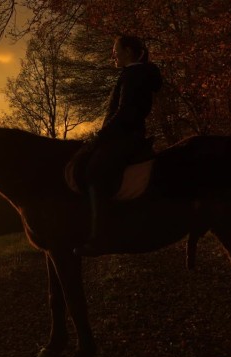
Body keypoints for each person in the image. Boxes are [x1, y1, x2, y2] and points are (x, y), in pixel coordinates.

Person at [73, 35, 162, 256]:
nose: (113, 54)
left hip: (126, 136)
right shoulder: (134, 74)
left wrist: (100, 136)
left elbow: (124, 113)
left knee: (94, 171)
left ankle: (102, 237)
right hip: (126, 134)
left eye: (116, 50)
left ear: (129, 51)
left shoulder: (133, 75)